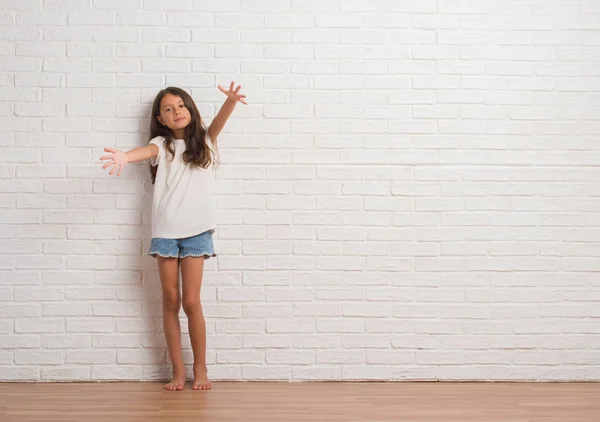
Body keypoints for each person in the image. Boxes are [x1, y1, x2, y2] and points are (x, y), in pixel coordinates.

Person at [100, 83, 247, 391]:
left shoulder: (205, 141)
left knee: (192, 301)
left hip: (197, 234)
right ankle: (177, 371)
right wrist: (125, 157)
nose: (176, 111)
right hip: (166, 235)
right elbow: (145, 151)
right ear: (161, 118)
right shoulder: (161, 144)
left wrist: (231, 101)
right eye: (169, 109)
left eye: (181, 106)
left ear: (190, 110)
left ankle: (201, 369)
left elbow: (218, 123)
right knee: (171, 300)